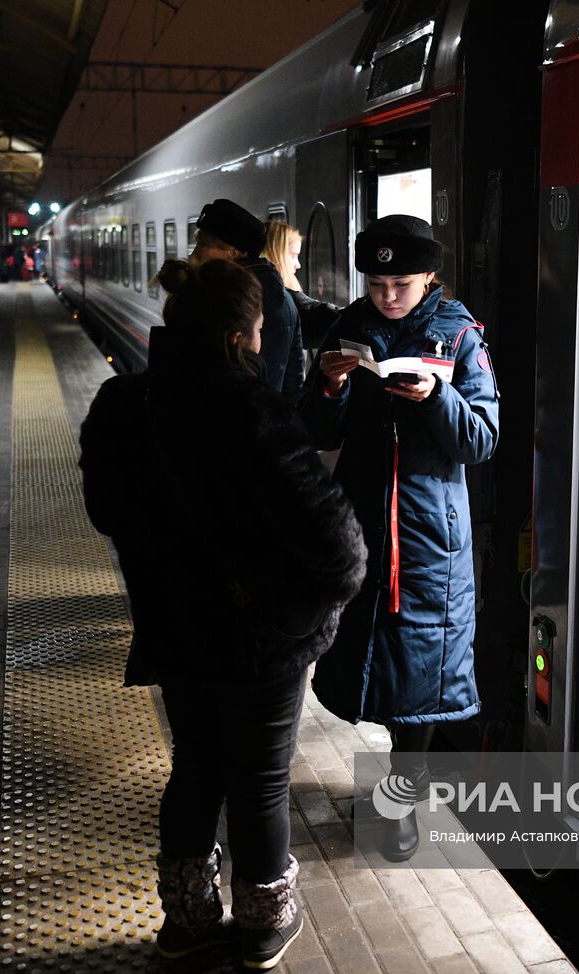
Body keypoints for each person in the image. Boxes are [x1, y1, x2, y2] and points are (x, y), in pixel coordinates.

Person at [79, 258, 365, 969]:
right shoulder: (253, 411)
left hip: (175, 630)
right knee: (259, 782)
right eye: (263, 328)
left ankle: (186, 920)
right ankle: (265, 924)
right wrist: (297, 620)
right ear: (242, 335)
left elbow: (105, 512)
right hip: (257, 641)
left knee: (196, 767)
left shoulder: (122, 404)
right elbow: (343, 555)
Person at [299, 214, 499, 861]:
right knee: (372, 663)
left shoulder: (460, 333)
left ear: (430, 277)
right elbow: (318, 430)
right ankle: (389, 790)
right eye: (378, 282)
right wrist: (328, 384)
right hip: (359, 525)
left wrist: (436, 397)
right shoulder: (350, 327)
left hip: (429, 538)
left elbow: (481, 438)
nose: (387, 295)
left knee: (423, 677)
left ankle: (401, 804)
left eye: (402, 283)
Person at [190, 199, 305, 403]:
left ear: (233, 252)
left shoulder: (226, 302)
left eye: (204, 245)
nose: (193, 257)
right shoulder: (283, 300)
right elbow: (292, 385)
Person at [263, 219, 339, 361]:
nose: (298, 265)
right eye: (293, 256)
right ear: (275, 255)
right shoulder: (279, 299)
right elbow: (311, 313)